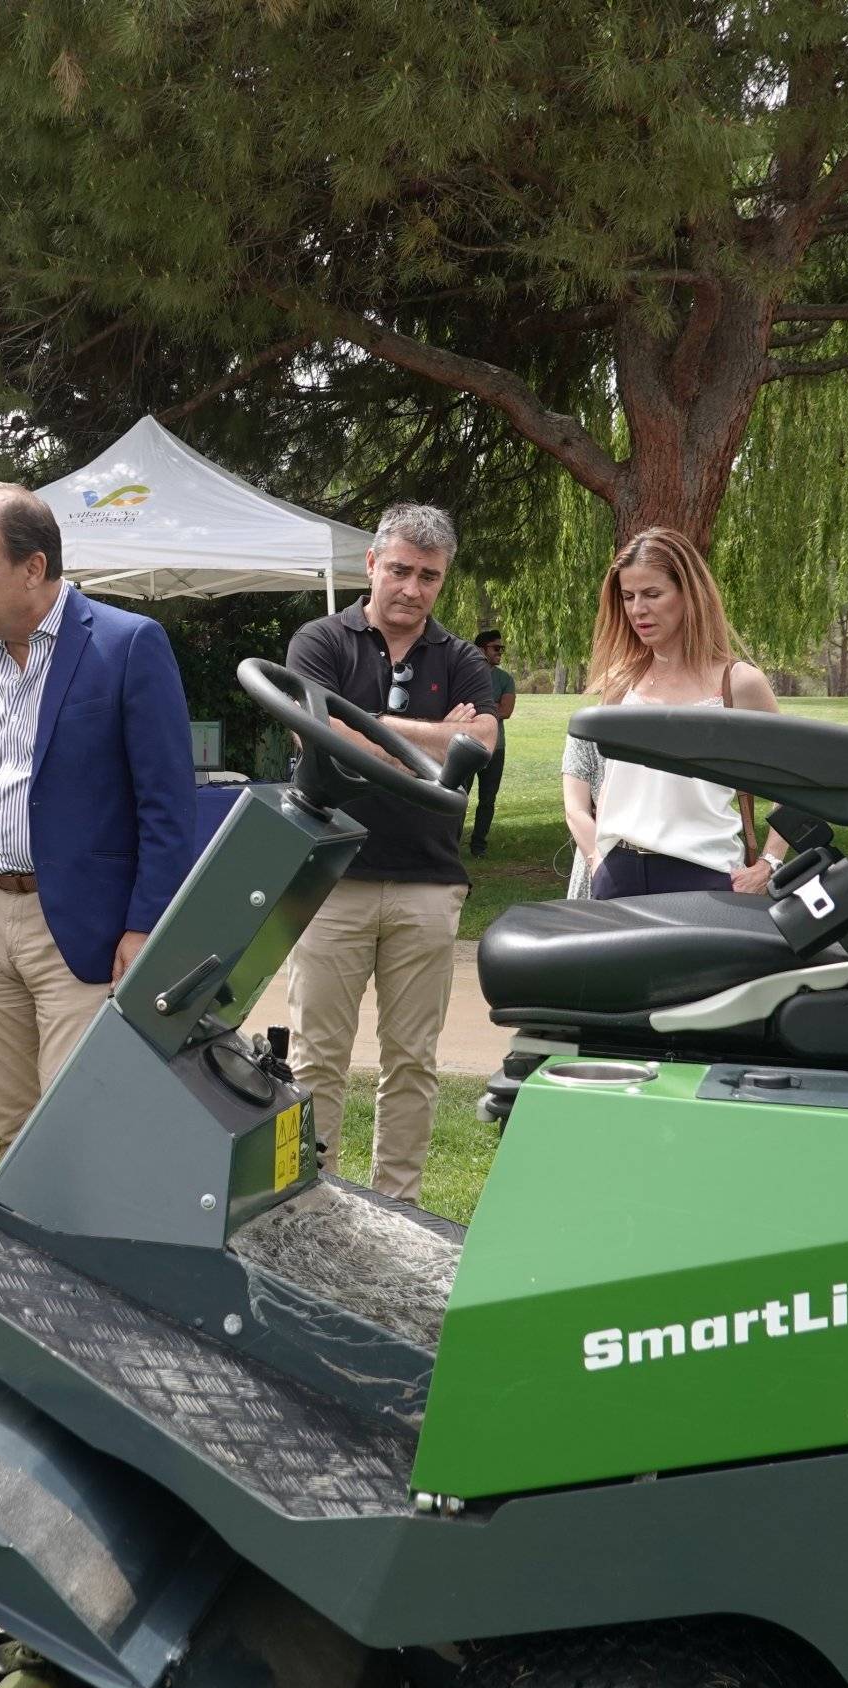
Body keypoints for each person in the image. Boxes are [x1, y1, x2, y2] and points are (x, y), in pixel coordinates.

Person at [0, 484, 195, 1151]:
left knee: (78, 1124)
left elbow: (168, 806)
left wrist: (145, 925)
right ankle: (23, 1255)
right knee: (11, 1122)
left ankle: (85, 1256)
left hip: (83, 924)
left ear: (33, 567)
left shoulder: (128, 644)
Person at [283, 503, 500, 1202]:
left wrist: (370, 728)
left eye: (429, 576)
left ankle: (396, 1208)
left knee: (411, 1061)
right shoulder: (321, 641)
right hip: (329, 875)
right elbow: (313, 737)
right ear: (372, 564)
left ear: (443, 580)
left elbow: (485, 744)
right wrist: (433, 737)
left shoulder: (462, 657)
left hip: (427, 884)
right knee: (317, 1058)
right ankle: (308, 1202)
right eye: (400, 569)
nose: (412, 587)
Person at [563, 527, 782, 900]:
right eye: (628, 596)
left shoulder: (738, 683)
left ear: (689, 595)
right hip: (619, 876)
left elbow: (797, 785)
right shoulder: (618, 683)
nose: (637, 609)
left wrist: (769, 863)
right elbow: (577, 791)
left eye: (652, 594)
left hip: (705, 879)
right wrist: (597, 859)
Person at [467, 628, 519, 855]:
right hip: (466, 746)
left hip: (495, 748)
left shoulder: (505, 679)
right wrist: (491, 708)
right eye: (496, 648)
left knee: (487, 799)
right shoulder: (464, 674)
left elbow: (506, 710)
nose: (500, 653)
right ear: (481, 649)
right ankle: (448, 844)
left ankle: (479, 846)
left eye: (502, 649)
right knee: (458, 797)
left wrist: (475, 710)